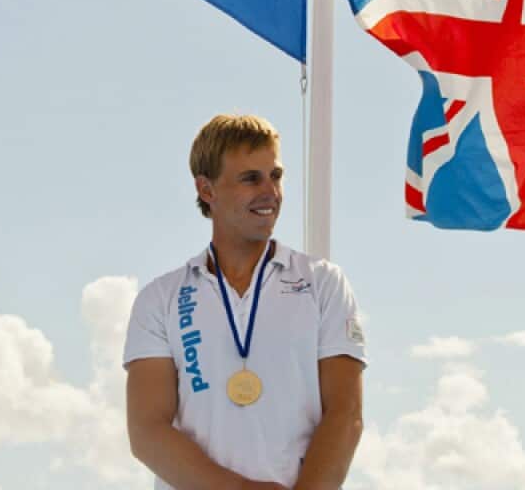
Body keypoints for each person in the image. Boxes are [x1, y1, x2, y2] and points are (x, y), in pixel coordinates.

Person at [124, 114, 365, 489]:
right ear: (207, 190)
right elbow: (147, 431)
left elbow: (345, 413)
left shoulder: (323, 283)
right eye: (251, 178)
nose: (270, 190)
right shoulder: (160, 298)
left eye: (276, 175)